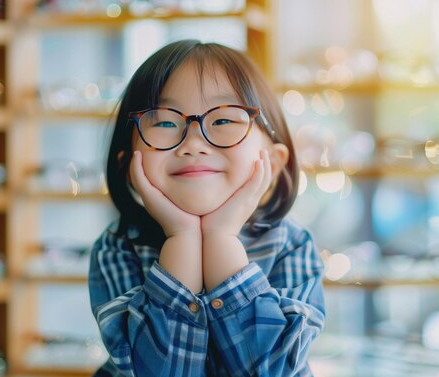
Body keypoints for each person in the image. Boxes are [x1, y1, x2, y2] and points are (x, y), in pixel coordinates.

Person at [88, 39, 325, 376]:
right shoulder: (117, 247)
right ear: (129, 164)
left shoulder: (293, 246)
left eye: (224, 121)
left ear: (272, 161)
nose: (194, 143)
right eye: (166, 123)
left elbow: (273, 369)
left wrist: (221, 239)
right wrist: (182, 238)